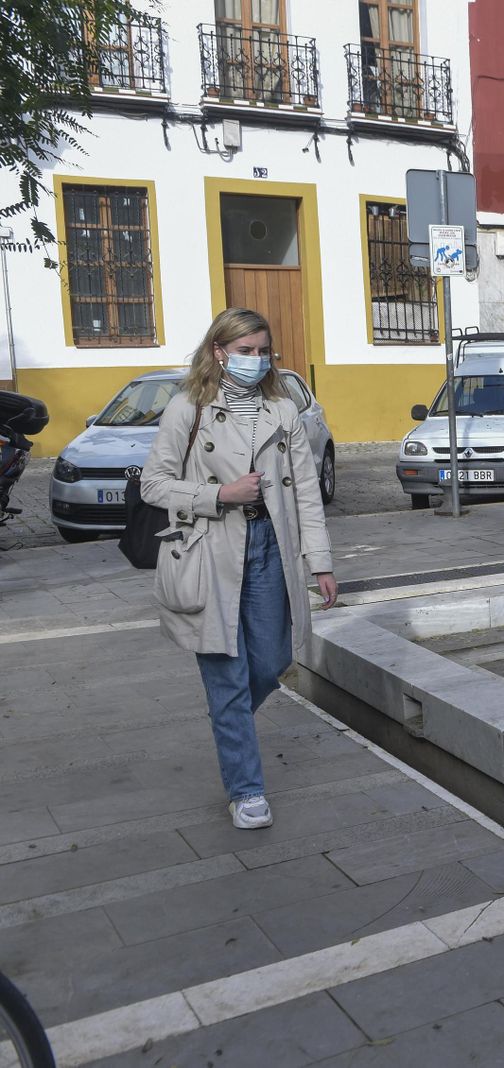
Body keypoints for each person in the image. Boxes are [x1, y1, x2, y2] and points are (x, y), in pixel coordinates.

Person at [141, 308, 338, 829]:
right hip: (210, 546)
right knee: (226, 669)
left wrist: (320, 561)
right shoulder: (189, 408)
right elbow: (153, 485)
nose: (255, 360)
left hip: (271, 544)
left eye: (262, 350)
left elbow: (308, 498)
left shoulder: (283, 412)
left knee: (274, 659)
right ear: (218, 351)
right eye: (244, 351)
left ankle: (228, 720)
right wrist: (219, 494)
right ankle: (246, 789)